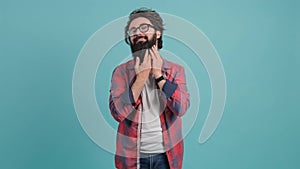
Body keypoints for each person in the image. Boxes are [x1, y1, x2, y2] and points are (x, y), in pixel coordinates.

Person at [109, 8, 190, 169]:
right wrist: (141, 77)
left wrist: (159, 76)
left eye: (144, 27)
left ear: (158, 33)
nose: (138, 32)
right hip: (132, 159)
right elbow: (117, 113)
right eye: (133, 29)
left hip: (167, 158)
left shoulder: (175, 70)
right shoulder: (121, 72)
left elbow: (181, 108)